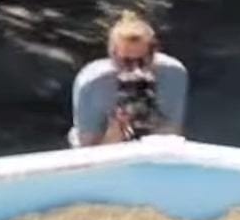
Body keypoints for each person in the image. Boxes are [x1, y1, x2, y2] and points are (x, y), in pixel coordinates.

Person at [69, 12, 187, 146]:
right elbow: (87, 151)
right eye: (126, 62)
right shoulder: (92, 83)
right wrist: (114, 135)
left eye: (142, 61)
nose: (136, 70)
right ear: (113, 56)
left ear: (153, 53)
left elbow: (172, 135)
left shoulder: (173, 75)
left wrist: (148, 118)